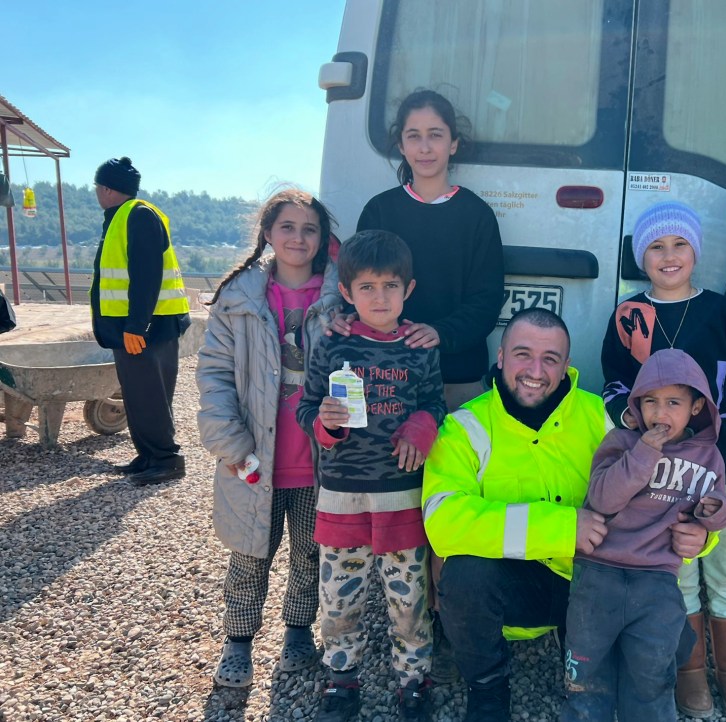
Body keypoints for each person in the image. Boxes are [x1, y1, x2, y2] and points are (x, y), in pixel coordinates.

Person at [422, 308, 713, 722]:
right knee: (464, 575)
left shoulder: (604, 417)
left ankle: (591, 664)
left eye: (550, 359)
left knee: (673, 642)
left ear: (567, 366)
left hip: (599, 578)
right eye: (523, 354)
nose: (535, 370)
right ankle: (487, 690)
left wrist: (703, 535)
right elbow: (442, 519)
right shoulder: (464, 426)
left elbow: (675, 487)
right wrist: (563, 527)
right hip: (517, 586)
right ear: (501, 356)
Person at [353, 88, 505, 682]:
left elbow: (486, 300)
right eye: (413, 135)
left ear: (454, 143)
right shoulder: (381, 210)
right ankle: (401, 622)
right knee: (400, 501)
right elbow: (357, 286)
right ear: (400, 143)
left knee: (453, 500)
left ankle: (448, 623)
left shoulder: (476, 216)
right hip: (386, 379)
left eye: (435, 135)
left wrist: (436, 333)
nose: (424, 145)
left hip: (457, 376)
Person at [602, 201, 726, 720]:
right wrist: (633, 428)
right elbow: (612, 382)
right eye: (656, 246)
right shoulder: (629, 315)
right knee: (675, 572)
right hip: (658, 475)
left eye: (679, 245)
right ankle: (691, 671)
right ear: (642, 256)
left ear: (695, 252)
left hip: (721, 469)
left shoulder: (721, 311)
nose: (668, 256)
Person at [296, 230, 447, 722]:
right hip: (341, 499)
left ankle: (414, 681)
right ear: (346, 292)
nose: (379, 298)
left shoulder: (421, 347)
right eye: (366, 287)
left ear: (409, 288)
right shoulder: (331, 344)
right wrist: (325, 425)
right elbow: (304, 409)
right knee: (339, 599)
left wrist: (422, 429)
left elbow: (434, 404)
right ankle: (341, 680)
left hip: (401, 498)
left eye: (390, 286)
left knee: (409, 601)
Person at [196, 189, 339, 689]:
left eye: (310, 229)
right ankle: (237, 642)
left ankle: (298, 631)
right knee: (250, 553)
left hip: (318, 460)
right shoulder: (238, 298)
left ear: (323, 238)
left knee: (309, 553)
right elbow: (213, 374)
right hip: (254, 458)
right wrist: (229, 444)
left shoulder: (341, 300)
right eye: (288, 227)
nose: (298, 238)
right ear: (268, 233)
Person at [561, 348, 726, 722]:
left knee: (653, 671)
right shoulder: (621, 442)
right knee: (585, 671)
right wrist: (642, 455)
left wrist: (714, 512)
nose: (660, 413)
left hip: (657, 579)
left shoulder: (709, 458)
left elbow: (717, 508)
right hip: (598, 573)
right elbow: (602, 499)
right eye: (650, 402)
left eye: (673, 402)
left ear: (697, 407)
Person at [90, 157, 190, 486]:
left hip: (147, 327)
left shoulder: (138, 215)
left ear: (106, 188)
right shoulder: (123, 216)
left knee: (150, 394)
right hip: (137, 326)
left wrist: (136, 325)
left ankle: (166, 459)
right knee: (137, 394)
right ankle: (148, 455)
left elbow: (147, 275)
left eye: (97, 187)